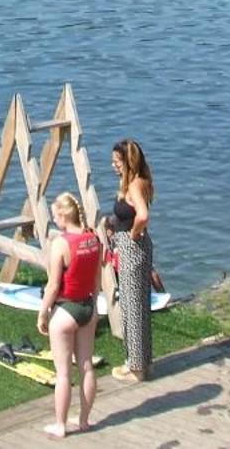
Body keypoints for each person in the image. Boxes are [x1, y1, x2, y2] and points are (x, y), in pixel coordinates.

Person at [35, 192, 102, 439]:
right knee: (86, 366)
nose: (54, 220)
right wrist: (94, 307)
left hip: (65, 311)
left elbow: (53, 286)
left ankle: (60, 425)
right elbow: (96, 279)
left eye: (54, 216)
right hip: (87, 306)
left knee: (63, 373)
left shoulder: (61, 244)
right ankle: (84, 420)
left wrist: (42, 313)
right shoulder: (94, 239)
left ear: (63, 215)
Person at [104, 137, 154, 381]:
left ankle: (135, 368)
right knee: (140, 305)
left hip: (132, 247)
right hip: (137, 246)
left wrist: (132, 233)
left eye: (117, 161)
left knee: (132, 308)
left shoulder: (134, 186)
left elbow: (142, 215)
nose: (113, 165)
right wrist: (112, 223)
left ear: (128, 162)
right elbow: (131, 212)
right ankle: (143, 362)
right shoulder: (140, 182)